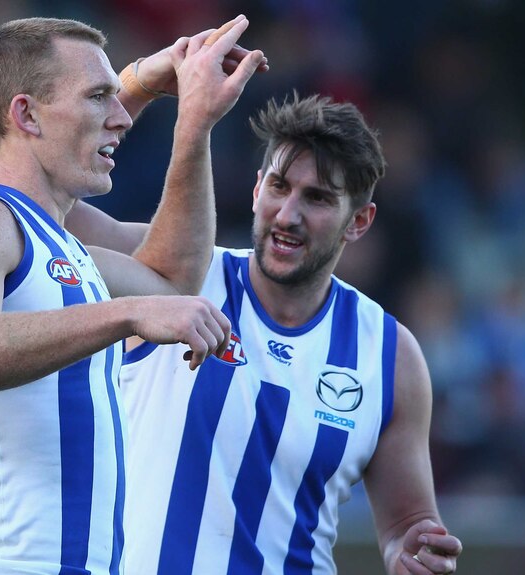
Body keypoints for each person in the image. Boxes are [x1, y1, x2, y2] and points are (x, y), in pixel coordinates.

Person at [0, 16, 265, 575]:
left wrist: (191, 122)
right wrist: (128, 313)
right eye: (99, 97)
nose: (121, 117)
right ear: (24, 114)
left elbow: (174, 279)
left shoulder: (60, 243)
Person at [66, 91, 463, 574]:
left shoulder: (390, 355)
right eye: (279, 186)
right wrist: (140, 87)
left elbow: (407, 525)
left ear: (358, 221)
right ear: (257, 190)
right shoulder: (177, 275)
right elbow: (28, 200)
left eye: (317, 198)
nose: (288, 214)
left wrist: (411, 553)